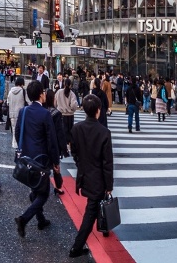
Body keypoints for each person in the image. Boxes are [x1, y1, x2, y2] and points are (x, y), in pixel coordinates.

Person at [68, 95, 114, 258]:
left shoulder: (76, 129)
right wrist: (109, 186)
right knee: (91, 212)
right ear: (98, 110)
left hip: (84, 175)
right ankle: (76, 247)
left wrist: (81, 164)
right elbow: (107, 163)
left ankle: (105, 229)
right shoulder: (104, 132)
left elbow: (74, 152)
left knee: (94, 207)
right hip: (99, 179)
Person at [14, 80, 60, 238]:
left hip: (26, 158)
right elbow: (51, 140)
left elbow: (17, 131)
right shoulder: (45, 114)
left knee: (36, 190)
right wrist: (55, 162)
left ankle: (41, 220)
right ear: (41, 94)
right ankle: (24, 219)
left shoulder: (24, 111)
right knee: (43, 193)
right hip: (41, 159)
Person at [42, 88, 68, 195]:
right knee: (56, 166)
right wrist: (64, 148)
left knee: (44, 166)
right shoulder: (55, 113)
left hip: (41, 142)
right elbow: (59, 132)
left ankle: (43, 185)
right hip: (53, 143)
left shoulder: (42, 111)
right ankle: (58, 186)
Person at [7, 77, 29, 148]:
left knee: (14, 129)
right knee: (21, 130)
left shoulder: (10, 92)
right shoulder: (23, 91)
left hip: (12, 113)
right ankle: (20, 144)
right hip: (21, 114)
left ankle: (14, 144)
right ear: (22, 83)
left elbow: (7, 102)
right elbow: (27, 102)